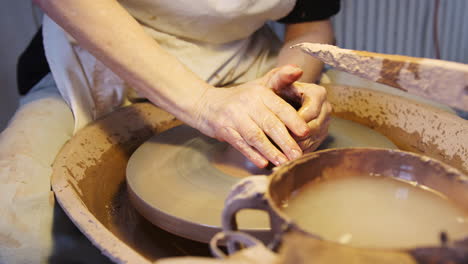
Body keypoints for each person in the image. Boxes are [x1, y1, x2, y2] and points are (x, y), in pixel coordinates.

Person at [1, 0, 339, 262]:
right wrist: (204, 102)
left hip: (247, 62)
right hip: (95, 59)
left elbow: (310, 25)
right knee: (15, 226)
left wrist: (288, 91)